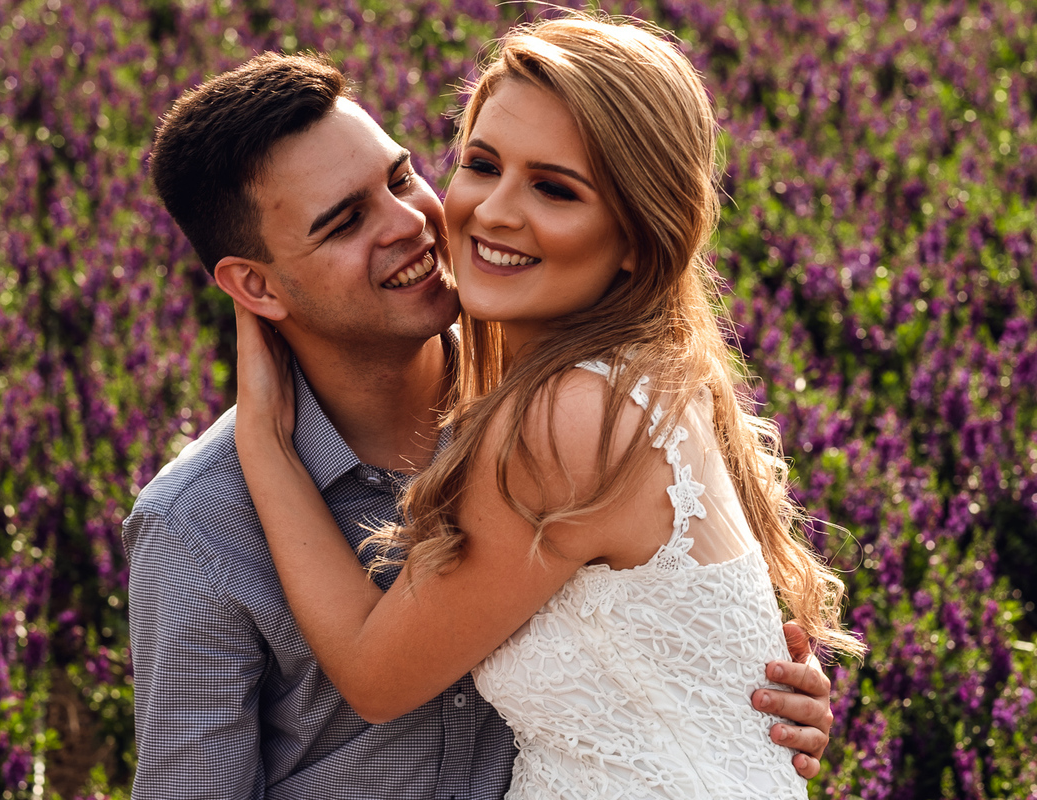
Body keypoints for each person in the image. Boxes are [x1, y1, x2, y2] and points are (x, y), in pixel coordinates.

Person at [124, 42, 837, 800]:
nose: (412, 222)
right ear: (253, 288)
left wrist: (737, 698)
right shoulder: (197, 525)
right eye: (345, 221)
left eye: (401, 177)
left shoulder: (560, 413)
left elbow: (383, 672)